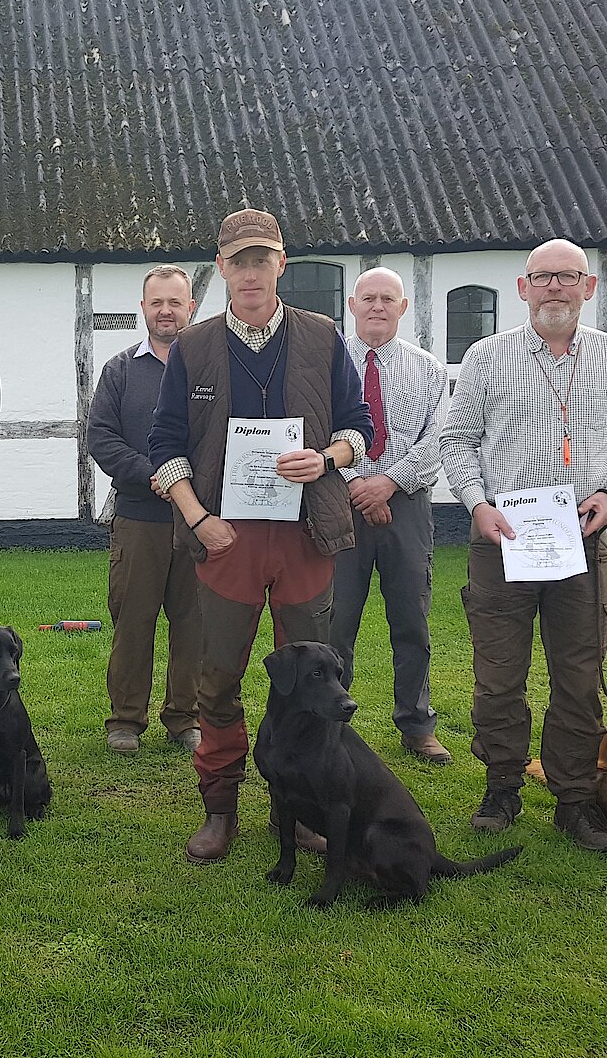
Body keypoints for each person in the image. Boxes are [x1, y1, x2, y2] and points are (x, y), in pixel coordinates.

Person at [148, 208, 374, 864]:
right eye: (239, 261)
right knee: (218, 675)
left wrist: (325, 458)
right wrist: (198, 518)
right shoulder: (193, 347)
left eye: (262, 260)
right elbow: (165, 445)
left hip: (305, 535)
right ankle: (220, 806)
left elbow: (360, 428)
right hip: (227, 539)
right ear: (221, 268)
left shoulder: (323, 337)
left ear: (281, 264)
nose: (251, 273)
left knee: (308, 679)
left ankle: (296, 807)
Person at [441, 238, 607, 852]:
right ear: (523, 287)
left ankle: (574, 798)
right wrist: (477, 504)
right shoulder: (487, 356)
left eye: (568, 276)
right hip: (501, 539)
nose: (555, 287)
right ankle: (502, 786)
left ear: (589, 287)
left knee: (580, 675)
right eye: (543, 277)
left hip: (581, 541)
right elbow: (456, 440)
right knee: (498, 676)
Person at [329, 268, 452, 764]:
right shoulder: (327, 363)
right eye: (368, 298)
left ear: (403, 308)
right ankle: (330, 723)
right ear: (352, 305)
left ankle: (417, 724)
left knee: (411, 620)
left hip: (406, 505)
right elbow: (313, 428)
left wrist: (388, 483)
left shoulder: (429, 369)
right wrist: (353, 483)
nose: (377, 306)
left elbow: (440, 437)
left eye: (388, 299)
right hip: (338, 503)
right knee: (336, 622)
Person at [88, 264, 202, 755]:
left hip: (198, 519)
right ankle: (126, 720)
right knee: (133, 622)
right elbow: (100, 437)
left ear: (190, 307)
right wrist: (151, 474)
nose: (165, 311)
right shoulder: (120, 370)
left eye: (175, 302)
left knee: (194, 625)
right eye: (157, 302)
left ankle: (185, 717)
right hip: (139, 517)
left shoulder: (208, 368)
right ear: (143, 308)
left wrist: (189, 483)